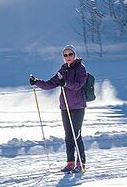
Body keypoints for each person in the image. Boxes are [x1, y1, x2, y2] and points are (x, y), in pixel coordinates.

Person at [30, 44, 88, 173]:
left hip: (78, 105)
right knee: (68, 136)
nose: (68, 57)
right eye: (65, 55)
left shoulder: (80, 68)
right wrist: (37, 82)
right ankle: (70, 163)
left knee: (76, 134)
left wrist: (66, 83)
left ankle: (81, 163)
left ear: (74, 55)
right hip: (65, 106)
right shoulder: (63, 70)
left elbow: (79, 85)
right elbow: (50, 84)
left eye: (70, 54)